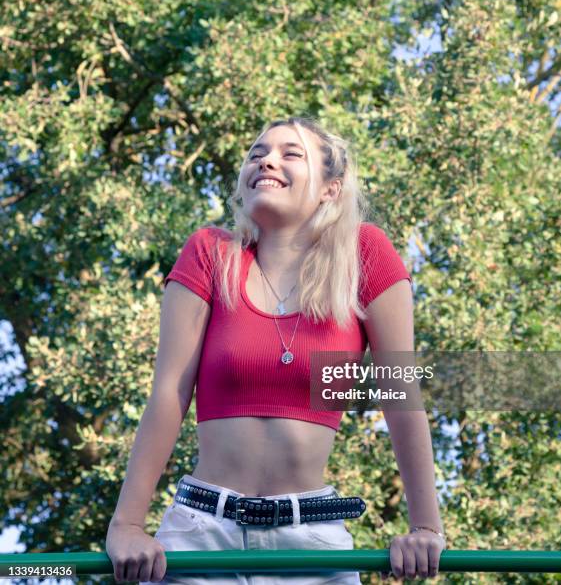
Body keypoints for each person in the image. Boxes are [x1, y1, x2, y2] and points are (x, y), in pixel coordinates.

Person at [105, 116, 446, 584]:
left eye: (291, 153)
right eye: (257, 153)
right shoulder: (211, 254)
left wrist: (425, 527)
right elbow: (169, 393)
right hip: (201, 533)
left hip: (311, 541)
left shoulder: (364, 256)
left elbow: (402, 397)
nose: (266, 159)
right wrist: (126, 525)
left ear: (331, 188)